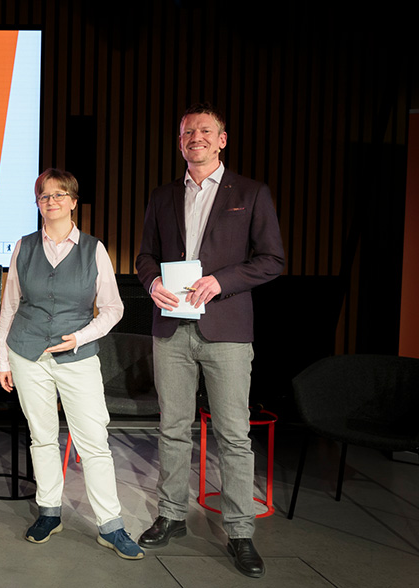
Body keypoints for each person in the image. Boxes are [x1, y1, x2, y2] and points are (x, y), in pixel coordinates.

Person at [135, 103, 285, 578]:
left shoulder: (252, 193)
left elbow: (272, 260)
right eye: (186, 132)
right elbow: (145, 256)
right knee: (172, 429)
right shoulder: (161, 197)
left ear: (222, 140)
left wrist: (222, 281)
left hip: (227, 331)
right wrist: (150, 282)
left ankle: (239, 531)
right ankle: (171, 515)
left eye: (204, 130)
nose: (194, 137)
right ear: (179, 143)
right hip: (171, 328)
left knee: (233, 436)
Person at [0, 169, 143, 560]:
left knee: (94, 442)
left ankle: (111, 525)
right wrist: (2, 359)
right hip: (28, 354)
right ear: (38, 203)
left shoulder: (93, 249)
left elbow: (114, 308)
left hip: (77, 358)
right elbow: (10, 306)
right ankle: (49, 512)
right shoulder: (24, 246)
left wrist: (80, 337)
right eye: (45, 196)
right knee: (42, 436)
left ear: (74, 202)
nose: (52, 202)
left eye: (60, 195)